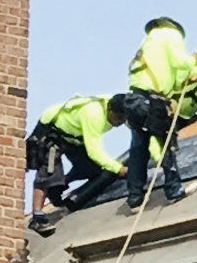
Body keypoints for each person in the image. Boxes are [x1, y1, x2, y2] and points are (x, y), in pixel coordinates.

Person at [121, 16, 197, 211]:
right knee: (166, 145)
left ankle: (135, 198)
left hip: (133, 98)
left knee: (138, 149)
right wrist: (194, 61)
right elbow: (180, 62)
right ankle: (174, 190)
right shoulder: (171, 36)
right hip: (152, 100)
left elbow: (171, 74)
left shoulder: (148, 41)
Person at [26, 94, 127, 236]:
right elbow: (95, 151)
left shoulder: (118, 106)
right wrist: (119, 168)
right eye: (119, 119)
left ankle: (58, 184)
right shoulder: (93, 114)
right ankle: (37, 218)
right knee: (48, 171)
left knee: (91, 170)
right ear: (111, 111)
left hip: (75, 138)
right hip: (53, 131)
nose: (120, 123)